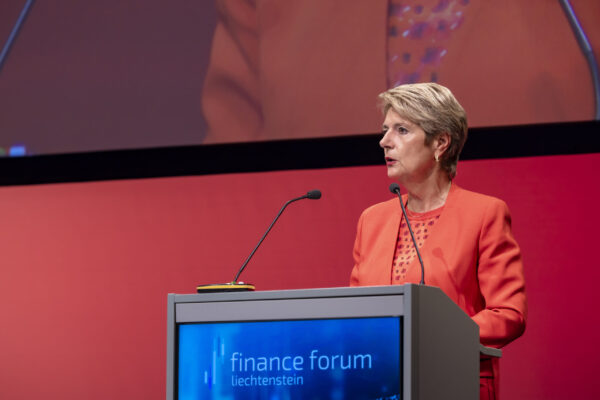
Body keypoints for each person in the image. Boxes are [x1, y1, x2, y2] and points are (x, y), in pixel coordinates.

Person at [349, 82, 527, 400]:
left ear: (440, 143)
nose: (384, 141)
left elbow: (508, 314)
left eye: (402, 130)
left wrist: (434, 335)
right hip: (380, 384)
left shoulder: (484, 214)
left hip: (454, 382)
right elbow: (355, 311)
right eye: (385, 129)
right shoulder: (372, 220)